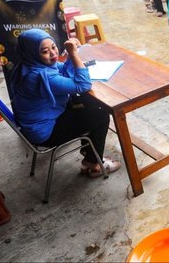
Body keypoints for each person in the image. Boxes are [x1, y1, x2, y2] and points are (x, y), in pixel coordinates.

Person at [10, 29, 121, 177]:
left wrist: (70, 55)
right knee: (100, 115)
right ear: (33, 53)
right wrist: (74, 55)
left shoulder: (30, 64)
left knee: (88, 102)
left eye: (54, 47)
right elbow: (83, 85)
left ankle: (90, 153)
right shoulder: (39, 75)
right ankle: (93, 164)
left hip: (36, 124)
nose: (53, 54)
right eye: (45, 51)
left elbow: (63, 71)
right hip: (46, 132)